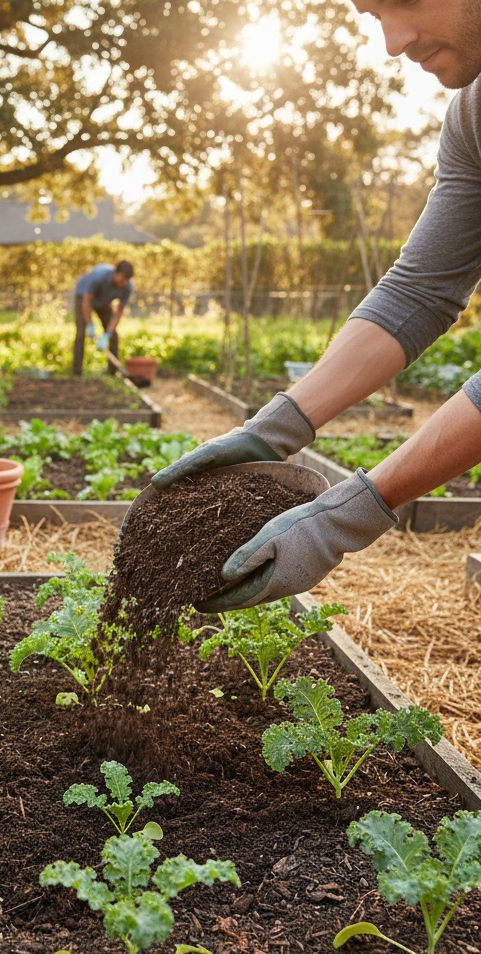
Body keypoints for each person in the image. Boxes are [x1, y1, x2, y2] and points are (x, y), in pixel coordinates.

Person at [151, 0, 481, 612]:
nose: (392, 41)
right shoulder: (472, 116)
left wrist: (347, 514)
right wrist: (273, 429)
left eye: (403, 0)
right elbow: (420, 290)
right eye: (371, 13)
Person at [72, 261, 134, 375]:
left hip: (103, 302)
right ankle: (76, 374)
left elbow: (119, 311)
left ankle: (113, 373)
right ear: (115, 274)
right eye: (122, 279)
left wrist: (107, 334)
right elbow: (86, 302)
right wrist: (90, 325)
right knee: (81, 333)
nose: (124, 283)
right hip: (83, 297)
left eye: (127, 280)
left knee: (114, 335)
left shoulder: (128, 286)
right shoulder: (98, 277)